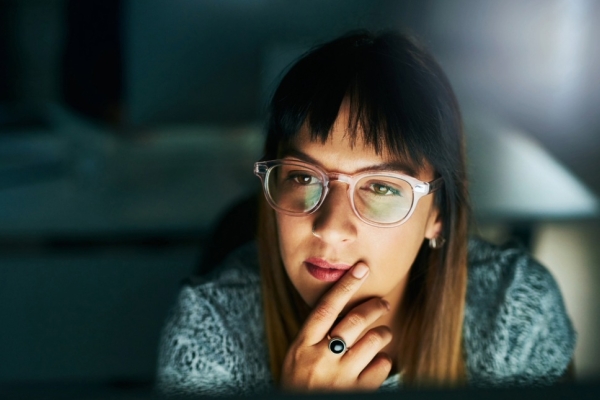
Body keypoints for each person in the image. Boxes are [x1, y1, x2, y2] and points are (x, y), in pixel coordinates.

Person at [156, 30, 576, 396]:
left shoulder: (514, 312)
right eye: (303, 178)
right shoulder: (211, 329)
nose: (330, 228)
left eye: (380, 187)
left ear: (438, 214)